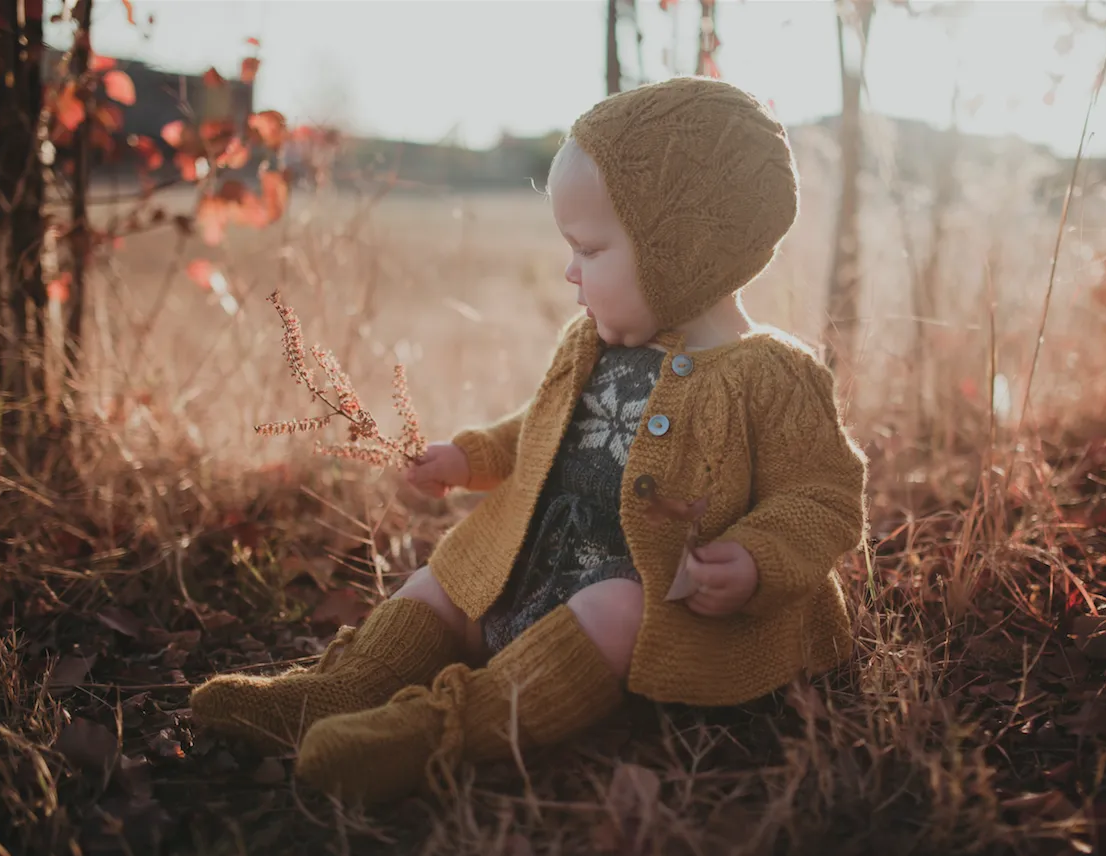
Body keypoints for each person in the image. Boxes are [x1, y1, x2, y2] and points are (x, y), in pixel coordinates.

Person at [190, 76, 869, 805]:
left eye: (589, 248)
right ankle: (337, 691)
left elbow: (823, 496)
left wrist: (757, 560)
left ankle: (442, 732)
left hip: (666, 609)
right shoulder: (591, 344)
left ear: (681, 251)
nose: (570, 271)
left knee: (614, 610)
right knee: (448, 582)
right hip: (543, 567)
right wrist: (472, 456)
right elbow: (540, 425)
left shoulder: (772, 374)